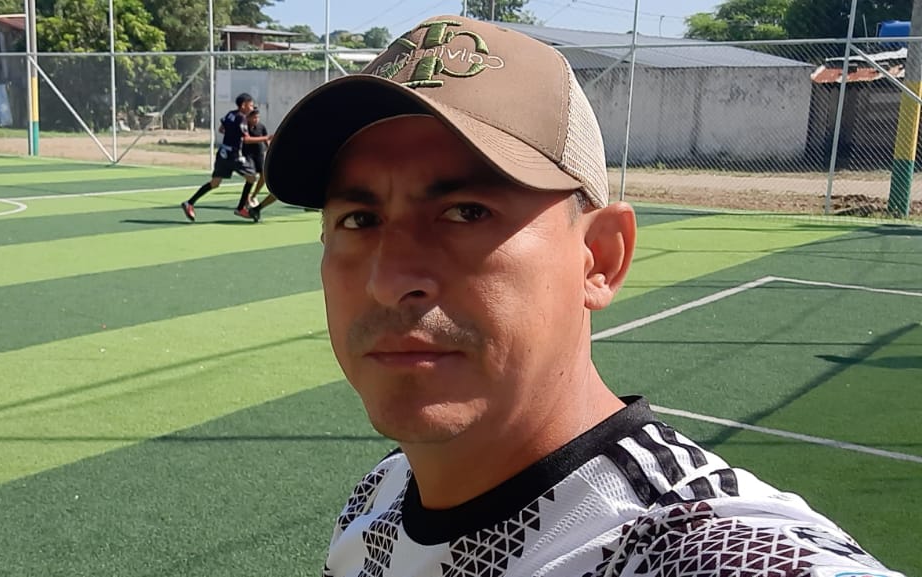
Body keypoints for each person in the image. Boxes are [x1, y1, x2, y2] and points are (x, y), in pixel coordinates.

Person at [262, 15, 905, 577]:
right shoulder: (379, 498)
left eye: (466, 212)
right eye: (359, 220)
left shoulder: (692, 546)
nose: (388, 278)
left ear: (599, 258)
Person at [180, 92, 270, 223]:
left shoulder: (230, 114)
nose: (252, 108)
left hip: (223, 153)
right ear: (243, 105)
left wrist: (232, 133)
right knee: (252, 177)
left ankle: (189, 203)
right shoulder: (242, 118)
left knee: (215, 183)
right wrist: (266, 138)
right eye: (250, 105)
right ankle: (240, 208)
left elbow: (221, 129)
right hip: (234, 155)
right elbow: (246, 139)